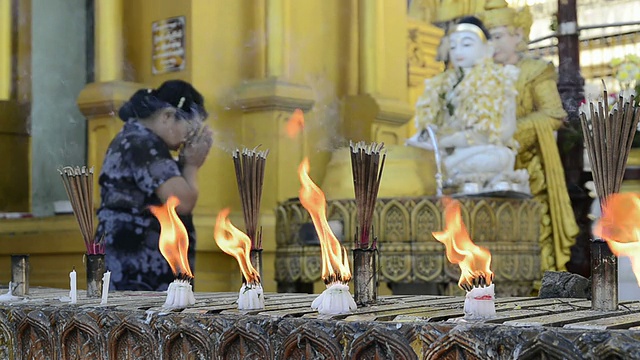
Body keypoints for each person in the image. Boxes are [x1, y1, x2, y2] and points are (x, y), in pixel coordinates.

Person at [479, 0, 579, 272]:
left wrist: (513, 132)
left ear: (518, 35)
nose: (493, 44)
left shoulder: (535, 71)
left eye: (498, 36)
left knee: (535, 237)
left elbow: (554, 114)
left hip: (530, 169)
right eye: (488, 38)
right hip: (488, 171)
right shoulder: (481, 77)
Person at [95, 80, 213, 291]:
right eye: (190, 128)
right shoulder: (141, 143)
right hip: (135, 273)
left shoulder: (137, 139)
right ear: (167, 116)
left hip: (134, 268)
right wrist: (192, 166)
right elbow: (182, 201)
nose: (189, 138)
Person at [407, 16, 527, 191]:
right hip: (446, 153)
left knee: (500, 156)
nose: (458, 52)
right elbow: (433, 126)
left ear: (487, 48)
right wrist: (424, 138)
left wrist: (452, 140)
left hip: (479, 151)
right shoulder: (441, 85)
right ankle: (445, 168)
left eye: (467, 44)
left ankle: (448, 170)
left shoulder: (500, 80)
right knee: (415, 160)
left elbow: (503, 131)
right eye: (453, 46)